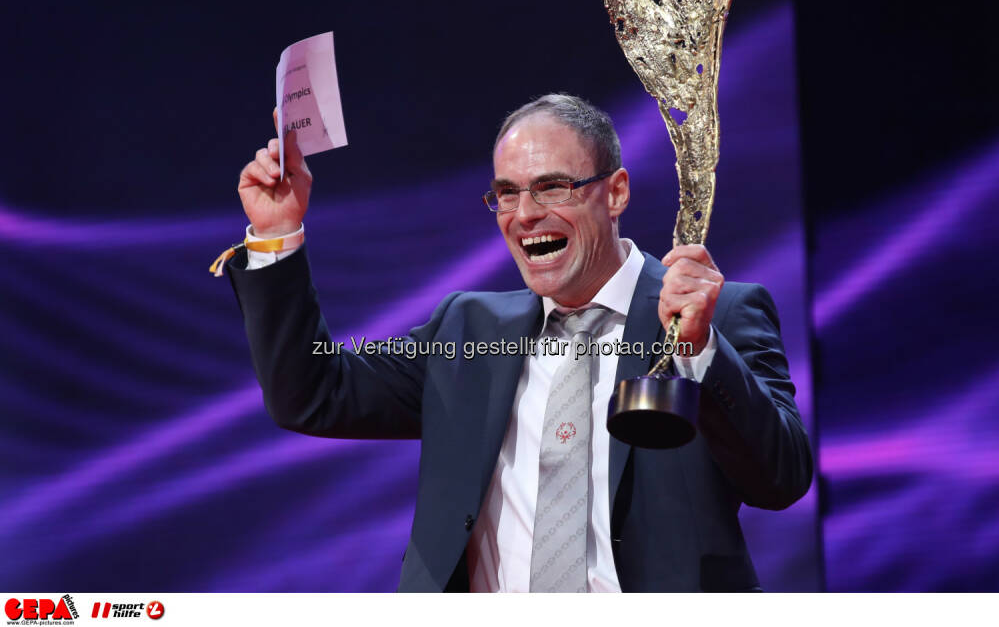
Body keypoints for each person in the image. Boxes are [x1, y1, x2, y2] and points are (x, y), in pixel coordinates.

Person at [224, 94, 813, 592]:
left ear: (615, 193)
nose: (525, 214)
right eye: (507, 193)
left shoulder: (719, 315)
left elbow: (780, 479)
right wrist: (277, 238)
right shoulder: (469, 331)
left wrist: (700, 348)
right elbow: (313, 393)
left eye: (552, 187)